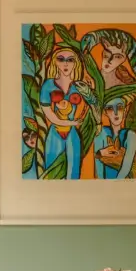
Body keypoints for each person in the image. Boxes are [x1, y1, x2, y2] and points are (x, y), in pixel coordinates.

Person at [39, 46, 89, 179]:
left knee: (73, 174)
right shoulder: (48, 85)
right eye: (61, 59)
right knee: (52, 172)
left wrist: (91, 91)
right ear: (55, 62)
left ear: (76, 63)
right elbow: (49, 114)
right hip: (55, 133)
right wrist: (71, 122)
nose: (65, 63)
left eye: (70, 60)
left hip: (72, 134)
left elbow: (90, 107)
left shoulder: (79, 86)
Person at [94, 97, 136, 179]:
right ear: (105, 112)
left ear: (125, 111)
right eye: (110, 108)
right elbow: (98, 168)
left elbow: (126, 167)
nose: (116, 112)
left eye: (120, 107)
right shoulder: (101, 133)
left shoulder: (130, 135)